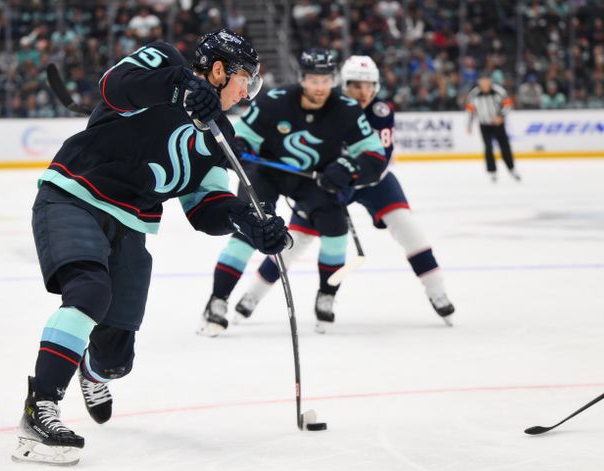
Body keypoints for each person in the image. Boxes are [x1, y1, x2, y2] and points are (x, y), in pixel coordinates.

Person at [13, 29, 288, 466]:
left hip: (130, 224)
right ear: (219, 70)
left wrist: (247, 224)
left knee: (116, 361)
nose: (247, 92)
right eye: (245, 79)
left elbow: (206, 208)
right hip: (72, 195)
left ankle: (90, 370)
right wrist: (177, 88)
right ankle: (39, 409)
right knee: (88, 291)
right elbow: (114, 87)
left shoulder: (220, 136)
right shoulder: (163, 62)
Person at [234, 55, 456, 331]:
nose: (362, 92)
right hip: (326, 182)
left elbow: (379, 160)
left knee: (408, 229)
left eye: (368, 85)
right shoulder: (328, 103)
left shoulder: (380, 112)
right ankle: (252, 295)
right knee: (296, 241)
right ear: (343, 84)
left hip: (373, 183)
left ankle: (437, 291)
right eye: (355, 85)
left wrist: (347, 172)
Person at [198, 48, 387, 337]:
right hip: (266, 176)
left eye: (325, 80)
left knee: (335, 229)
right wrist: (243, 149)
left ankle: (327, 293)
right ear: (302, 79)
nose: (320, 87)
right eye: (313, 79)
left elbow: (374, 156)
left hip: (314, 180)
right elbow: (242, 139)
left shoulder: (346, 109)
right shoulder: (276, 102)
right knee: (248, 230)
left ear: (333, 80)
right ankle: (218, 300)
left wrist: (348, 169)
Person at [465, 74, 519, 182]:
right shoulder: (474, 94)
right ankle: (492, 171)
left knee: (505, 146)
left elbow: (509, 105)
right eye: (482, 81)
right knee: (488, 148)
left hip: (498, 124)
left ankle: (511, 168)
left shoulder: (499, 91)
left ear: (490, 81)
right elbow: (471, 110)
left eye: (486, 81)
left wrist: (501, 116)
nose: (484, 83)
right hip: (484, 124)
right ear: (479, 81)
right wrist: (469, 124)